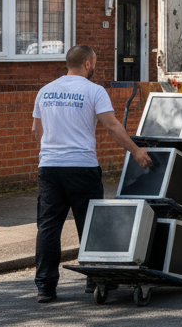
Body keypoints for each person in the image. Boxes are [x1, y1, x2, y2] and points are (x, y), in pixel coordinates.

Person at [31, 45, 152, 303]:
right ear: (88, 64)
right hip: (81, 166)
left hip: (49, 167)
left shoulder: (45, 91)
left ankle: (45, 287)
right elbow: (111, 126)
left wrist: (51, 151)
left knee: (48, 228)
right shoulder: (94, 91)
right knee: (90, 224)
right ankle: (95, 280)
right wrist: (135, 151)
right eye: (94, 62)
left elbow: (36, 131)